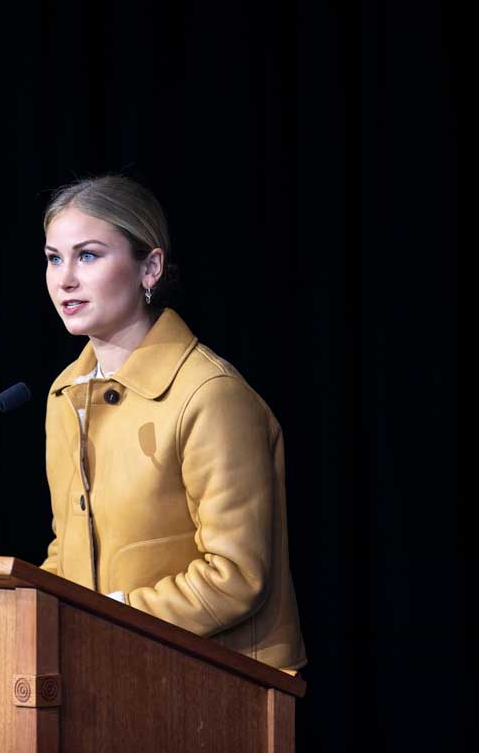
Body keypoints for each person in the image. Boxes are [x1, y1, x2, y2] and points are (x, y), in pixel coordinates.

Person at [39, 174, 307, 672]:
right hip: (100, 668)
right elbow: (68, 550)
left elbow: (235, 576)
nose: (65, 278)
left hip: (212, 681)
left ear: (151, 268)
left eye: (88, 255)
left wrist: (106, 618)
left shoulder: (209, 394)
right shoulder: (65, 395)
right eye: (55, 257)